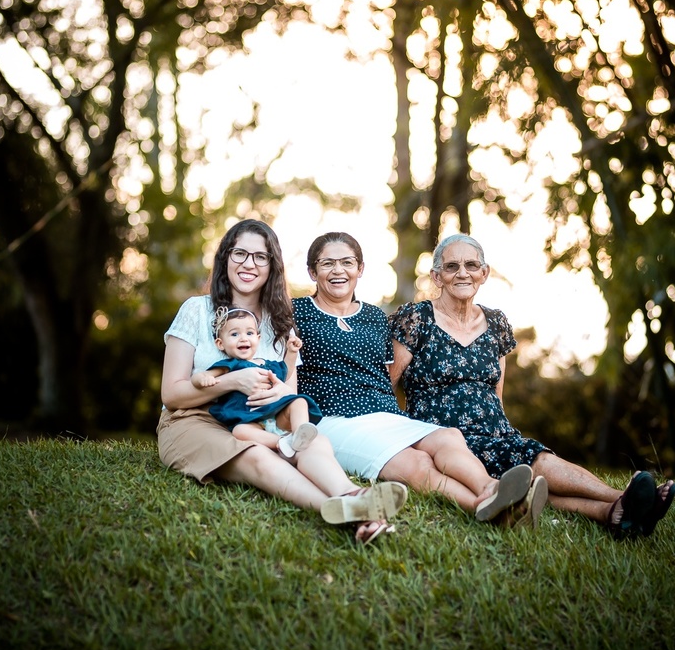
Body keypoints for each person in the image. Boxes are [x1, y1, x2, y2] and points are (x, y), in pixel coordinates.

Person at [389, 233, 675, 539]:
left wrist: (504, 433)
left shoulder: (496, 323)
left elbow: (495, 393)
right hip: (442, 438)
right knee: (535, 466)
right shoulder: (416, 318)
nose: (463, 273)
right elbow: (387, 384)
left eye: (472, 265)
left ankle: (616, 511)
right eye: (452, 266)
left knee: (536, 469)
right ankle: (627, 498)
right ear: (437, 276)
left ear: (484, 273)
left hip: (494, 432)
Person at [158, 219, 408, 544]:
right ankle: (343, 510)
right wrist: (232, 382)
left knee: (311, 439)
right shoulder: (197, 310)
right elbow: (172, 393)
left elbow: (288, 395)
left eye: (260, 257)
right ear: (225, 259)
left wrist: (281, 397)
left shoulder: (281, 323)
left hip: (263, 424)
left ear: (272, 266)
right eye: (240, 254)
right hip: (193, 421)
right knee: (256, 455)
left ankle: (351, 493)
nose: (249, 264)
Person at [294, 231, 547, 527]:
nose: (338, 270)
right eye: (327, 264)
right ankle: (490, 508)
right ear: (312, 271)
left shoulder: (375, 317)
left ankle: (490, 487)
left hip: (385, 414)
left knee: (448, 436)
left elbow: (388, 375)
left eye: (347, 262)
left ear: (360, 269)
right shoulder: (295, 312)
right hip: (335, 418)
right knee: (416, 463)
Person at [192, 305, 321, 459]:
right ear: (220, 343)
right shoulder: (232, 365)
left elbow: (286, 370)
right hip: (248, 418)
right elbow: (201, 376)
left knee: (299, 401)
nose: (244, 338)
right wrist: (202, 379)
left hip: (276, 414)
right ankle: (282, 442)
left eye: (249, 333)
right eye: (234, 334)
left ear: (258, 339)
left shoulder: (266, 364)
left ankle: (300, 432)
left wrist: (292, 352)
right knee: (240, 432)